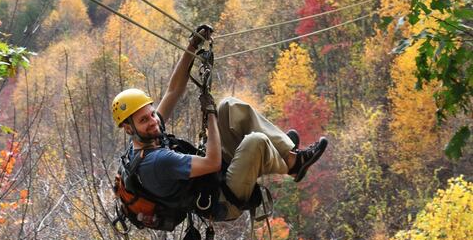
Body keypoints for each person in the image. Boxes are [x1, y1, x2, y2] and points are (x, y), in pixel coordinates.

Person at [112, 26, 328, 222]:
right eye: (144, 120)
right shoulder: (157, 161)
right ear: (128, 128)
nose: (153, 121)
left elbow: (173, 90)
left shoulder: (146, 138)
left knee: (229, 106)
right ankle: (290, 165)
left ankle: (289, 154)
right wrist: (210, 115)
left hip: (214, 178)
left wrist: (193, 45)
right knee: (256, 142)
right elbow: (212, 162)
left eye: (151, 114)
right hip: (223, 198)